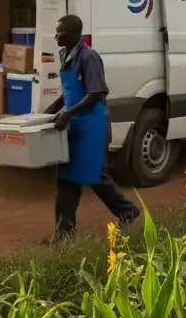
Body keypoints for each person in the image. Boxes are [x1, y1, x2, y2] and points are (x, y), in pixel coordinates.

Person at [44, 14, 141, 240]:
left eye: (60, 31)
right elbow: (68, 91)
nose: (56, 35)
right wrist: (49, 112)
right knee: (66, 176)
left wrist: (67, 113)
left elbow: (95, 92)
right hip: (74, 123)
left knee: (95, 175)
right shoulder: (64, 54)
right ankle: (64, 233)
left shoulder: (89, 57)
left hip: (91, 124)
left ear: (74, 33)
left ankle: (128, 211)